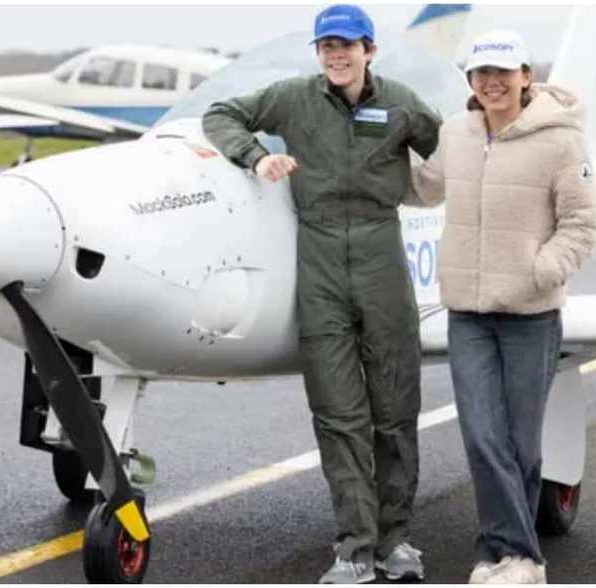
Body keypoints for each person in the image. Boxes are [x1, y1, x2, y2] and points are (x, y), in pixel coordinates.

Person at [202, 4, 441, 584]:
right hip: (321, 262)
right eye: (327, 46)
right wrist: (258, 157)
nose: (336, 55)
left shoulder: (403, 103)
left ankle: (397, 542)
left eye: (347, 45)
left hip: (384, 257)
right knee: (338, 413)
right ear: (318, 52)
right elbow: (220, 115)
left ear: (369, 51)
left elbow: (456, 146)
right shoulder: (293, 98)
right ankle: (354, 550)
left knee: (395, 407)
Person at [408, 29, 596, 584]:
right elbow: (424, 188)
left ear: (525, 77)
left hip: (531, 316)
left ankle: (506, 556)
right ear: (470, 80)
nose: (492, 82)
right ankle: (517, 556)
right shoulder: (457, 134)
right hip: (467, 314)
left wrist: (539, 272)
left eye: (503, 72)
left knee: (518, 440)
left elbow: (584, 224)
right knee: (482, 436)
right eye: (482, 73)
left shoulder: (562, 140)